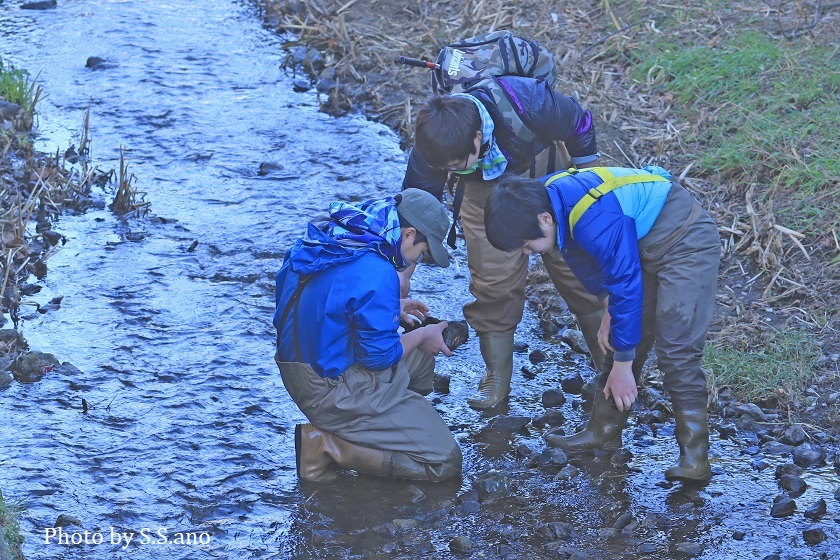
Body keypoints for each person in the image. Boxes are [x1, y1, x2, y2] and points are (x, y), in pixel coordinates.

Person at [483, 166, 720, 482]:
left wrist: (625, 365)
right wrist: (609, 310)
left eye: (527, 245)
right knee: (619, 336)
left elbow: (624, 279)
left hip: (685, 239)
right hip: (640, 243)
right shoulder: (548, 200)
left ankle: (695, 458)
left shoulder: (592, 218)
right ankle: (603, 431)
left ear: (543, 220)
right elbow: (593, 264)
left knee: (676, 348)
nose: (529, 253)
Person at [402, 76, 607, 410]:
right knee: (492, 281)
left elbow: (580, 122)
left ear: (478, 138)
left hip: (544, 172)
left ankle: (609, 364)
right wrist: (404, 272)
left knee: (577, 270)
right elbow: (416, 215)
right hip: (482, 187)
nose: (446, 172)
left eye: (454, 167)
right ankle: (496, 377)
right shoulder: (432, 149)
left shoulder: (528, 103)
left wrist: (590, 185)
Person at [273, 189, 462, 482]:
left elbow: (323, 300)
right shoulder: (378, 272)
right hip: (330, 391)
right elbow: (378, 358)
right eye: (422, 253)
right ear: (409, 234)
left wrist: (389, 308)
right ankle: (328, 447)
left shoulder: (339, 235)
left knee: (420, 357)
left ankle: (389, 427)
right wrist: (424, 335)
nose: (419, 261)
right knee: (445, 463)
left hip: (303, 371)